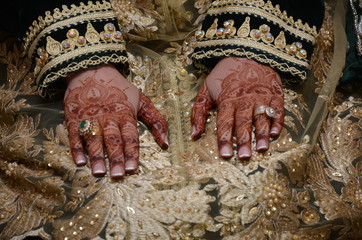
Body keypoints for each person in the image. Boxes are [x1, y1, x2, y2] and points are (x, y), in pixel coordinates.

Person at [0, 0, 360, 239]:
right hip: (66, 23)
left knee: (262, 189)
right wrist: (85, 65)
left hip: (256, 16)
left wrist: (252, 43)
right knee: (96, 196)